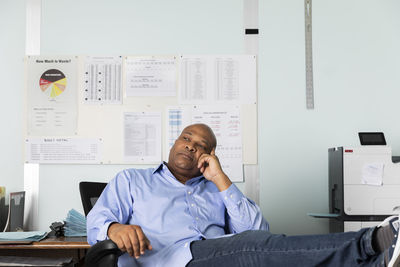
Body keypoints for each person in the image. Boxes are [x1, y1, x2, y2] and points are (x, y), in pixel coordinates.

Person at [87, 123, 400, 267]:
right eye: (186, 137)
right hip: (172, 261)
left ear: (207, 157)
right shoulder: (131, 180)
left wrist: (221, 180)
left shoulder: (215, 187)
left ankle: (376, 262)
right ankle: (373, 241)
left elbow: (259, 231)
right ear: (173, 144)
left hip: (224, 257)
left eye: (202, 145)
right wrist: (115, 229)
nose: (191, 145)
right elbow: (96, 224)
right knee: (250, 249)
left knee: (266, 254)